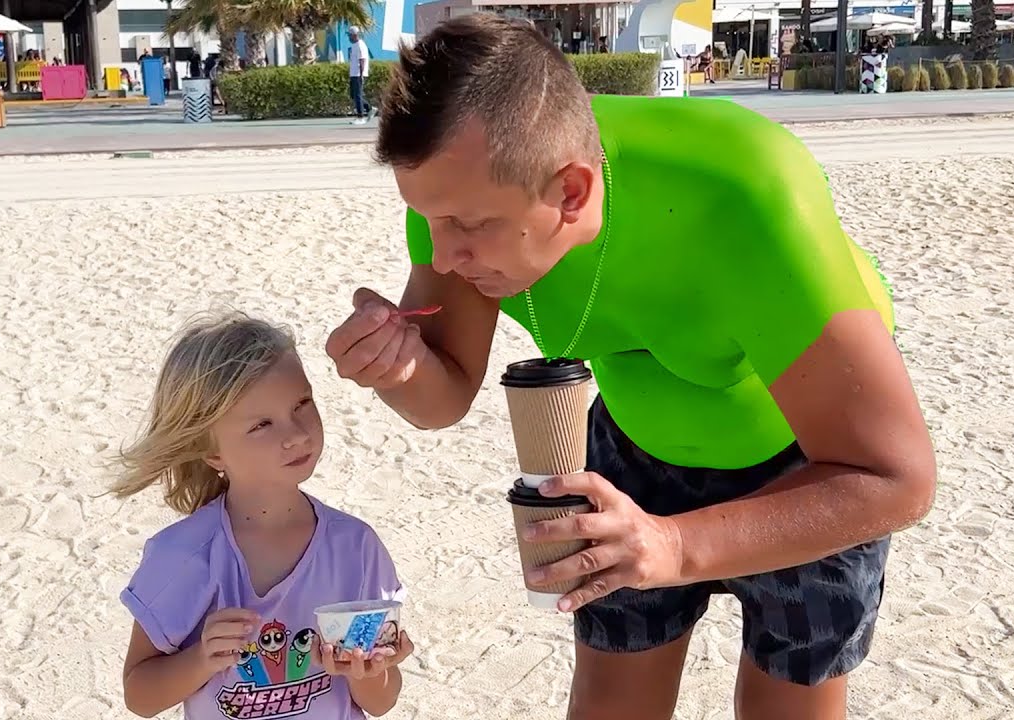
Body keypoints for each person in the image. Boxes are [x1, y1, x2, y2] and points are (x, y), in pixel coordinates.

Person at [324, 14, 936, 720]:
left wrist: (673, 544)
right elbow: (445, 396)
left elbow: (898, 478)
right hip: (637, 434)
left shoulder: (745, 190)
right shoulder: (458, 195)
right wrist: (397, 369)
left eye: (468, 226)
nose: (442, 255)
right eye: (426, 218)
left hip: (806, 455)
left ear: (572, 193)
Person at [112, 309, 415, 719]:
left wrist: (367, 673)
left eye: (302, 404)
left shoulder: (356, 547)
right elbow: (140, 696)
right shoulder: (182, 554)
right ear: (212, 452)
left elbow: (381, 702)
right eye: (262, 425)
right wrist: (201, 659)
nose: (297, 434)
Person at [346, 27, 371, 125]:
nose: (349, 37)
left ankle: (360, 117)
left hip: (358, 75)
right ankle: (369, 108)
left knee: (358, 95)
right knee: (353, 95)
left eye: (350, 35)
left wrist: (361, 75)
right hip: (353, 74)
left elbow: (362, 60)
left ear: (354, 35)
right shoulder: (354, 45)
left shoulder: (360, 45)